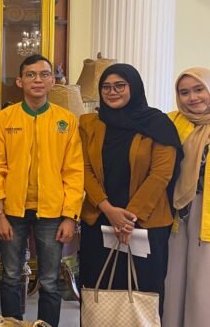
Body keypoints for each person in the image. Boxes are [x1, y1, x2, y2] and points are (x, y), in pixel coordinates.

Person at [78, 63, 182, 316]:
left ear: (133, 87)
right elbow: (84, 168)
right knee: (98, 290)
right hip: (99, 220)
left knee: (143, 292)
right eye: (106, 87)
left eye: (119, 86)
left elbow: (161, 174)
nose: (112, 92)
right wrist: (108, 209)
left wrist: (127, 218)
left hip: (146, 223)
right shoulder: (89, 124)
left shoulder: (158, 124)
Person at [0, 54, 84, 326]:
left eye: (44, 74)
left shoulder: (66, 120)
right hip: (12, 211)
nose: (37, 80)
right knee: (10, 276)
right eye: (30, 74)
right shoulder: (4, 119)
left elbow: (74, 171)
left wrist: (70, 216)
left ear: (52, 81)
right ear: (20, 81)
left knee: (50, 280)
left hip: (52, 212)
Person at [163, 67, 210, 327]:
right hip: (178, 210)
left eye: (199, 89)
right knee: (174, 275)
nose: (192, 98)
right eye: (184, 92)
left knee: (202, 281)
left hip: (206, 211)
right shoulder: (171, 122)